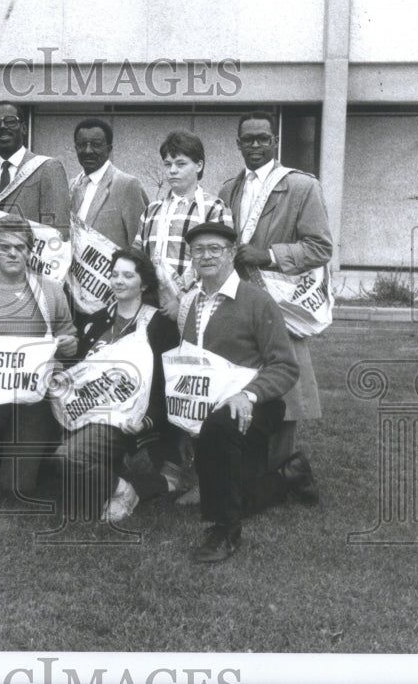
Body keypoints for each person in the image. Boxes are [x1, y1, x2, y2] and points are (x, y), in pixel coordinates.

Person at [173, 222, 313, 563]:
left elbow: (285, 366)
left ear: (232, 254)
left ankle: (224, 530)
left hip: (255, 404)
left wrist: (247, 396)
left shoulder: (258, 302)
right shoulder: (189, 302)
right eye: (198, 250)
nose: (206, 256)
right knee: (239, 492)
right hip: (211, 404)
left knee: (221, 430)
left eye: (215, 249)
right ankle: (289, 475)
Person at [218, 111, 332, 472]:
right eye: (248, 139)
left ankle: (284, 466)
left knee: (284, 381)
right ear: (238, 144)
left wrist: (268, 255)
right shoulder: (227, 189)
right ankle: (248, 461)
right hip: (239, 300)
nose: (255, 145)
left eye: (262, 138)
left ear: (275, 142)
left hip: (279, 300)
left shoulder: (301, 186)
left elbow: (320, 248)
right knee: (244, 376)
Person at [0, 215, 78, 524]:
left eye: (20, 247)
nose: (12, 253)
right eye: (4, 247)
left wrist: (69, 344)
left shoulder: (50, 291)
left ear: (31, 252)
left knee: (17, 485)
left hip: (34, 397)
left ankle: (17, 461)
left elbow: (68, 335)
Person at [59, 248, 179, 522]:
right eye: (114, 274)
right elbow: (80, 374)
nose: (118, 281)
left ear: (144, 284)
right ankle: (125, 481)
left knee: (67, 458)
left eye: (128, 275)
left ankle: (128, 490)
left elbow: (166, 384)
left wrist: (146, 421)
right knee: (73, 490)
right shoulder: (95, 321)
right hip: (87, 412)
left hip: (127, 419)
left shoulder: (159, 324)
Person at [134, 129, 232, 321]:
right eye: (167, 164)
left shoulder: (214, 208)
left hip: (197, 309)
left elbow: (221, 264)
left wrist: (183, 302)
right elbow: (138, 259)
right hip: (151, 309)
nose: (172, 170)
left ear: (199, 165)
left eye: (180, 164)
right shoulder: (151, 211)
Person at [0, 102, 71, 240]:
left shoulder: (47, 168)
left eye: (10, 121)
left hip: (31, 259)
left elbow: (58, 233)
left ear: (24, 128)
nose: (2, 126)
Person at [69, 118, 147, 249]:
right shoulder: (71, 186)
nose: (88, 151)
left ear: (109, 149)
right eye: (82, 144)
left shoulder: (127, 186)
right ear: (76, 148)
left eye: (96, 145)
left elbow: (140, 243)